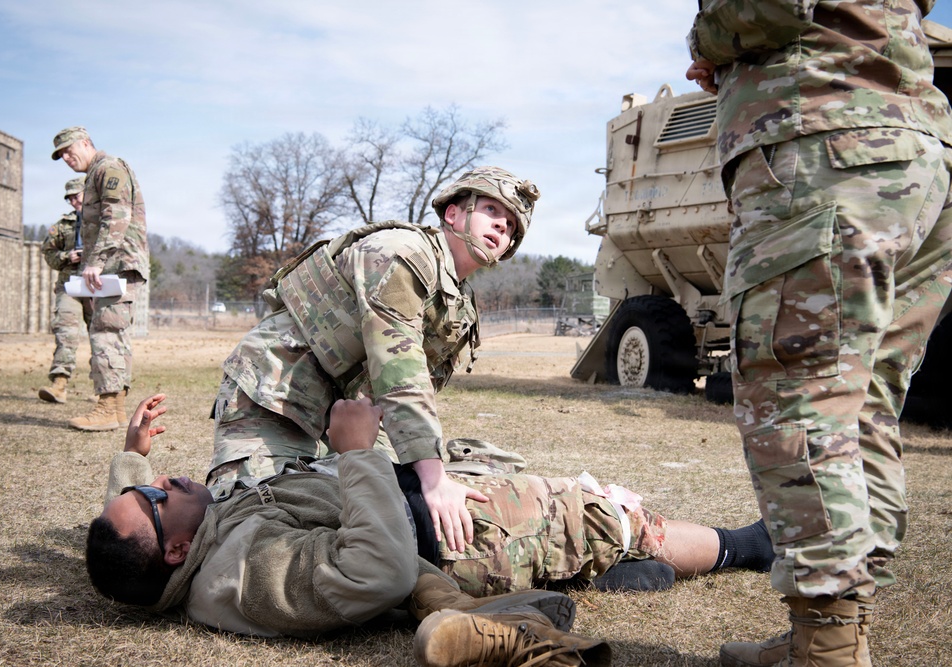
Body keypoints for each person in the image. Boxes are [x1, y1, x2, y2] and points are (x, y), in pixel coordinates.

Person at [85, 394, 773, 655]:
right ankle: (751, 545)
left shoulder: (176, 553)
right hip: (456, 542)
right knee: (605, 512)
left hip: (417, 505)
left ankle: (616, 572)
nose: (165, 480)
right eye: (155, 493)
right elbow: (376, 571)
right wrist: (355, 454)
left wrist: (131, 457)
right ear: (176, 548)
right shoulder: (242, 573)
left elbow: (122, 532)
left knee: (579, 523)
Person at [686, 3, 952, 665]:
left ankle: (828, 648)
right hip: (916, 153)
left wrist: (711, 38)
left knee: (797, 397)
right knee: (863, 404)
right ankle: (838, 628)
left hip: (828, 144)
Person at [209, 166, 540, 555]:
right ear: (453, 213)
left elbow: (398, 395)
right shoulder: (401, 253)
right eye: (490, 210)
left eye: (511, 227)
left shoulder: (460, 304)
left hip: (355, 406)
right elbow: (399, 370)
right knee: (254, 523)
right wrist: (432, 479)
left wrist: (411, 475)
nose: (501, 227)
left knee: (386, 513)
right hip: (278, 387)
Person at [52, 126, 149, 432]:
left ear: (85, 143)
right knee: (113, 332)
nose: (67, 158)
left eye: (70, 150)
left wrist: (95, 262)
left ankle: (107, 407)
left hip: (116, 263)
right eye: (62, 156)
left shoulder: (108, 168)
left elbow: (116, 216)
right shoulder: (97, 172)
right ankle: (116, 408)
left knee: (105, 332)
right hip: (115, 263)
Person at [38, 176, 93, 404]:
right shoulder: (62, 225)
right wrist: (65, 256)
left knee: (101, 335)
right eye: (69, 197)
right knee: (65, 332)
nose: (73, 201)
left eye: (76, 195)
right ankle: (59, 384)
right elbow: (48, 253)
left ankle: (104, 390)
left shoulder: (102, 220)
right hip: (69, 285)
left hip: (97, 285)